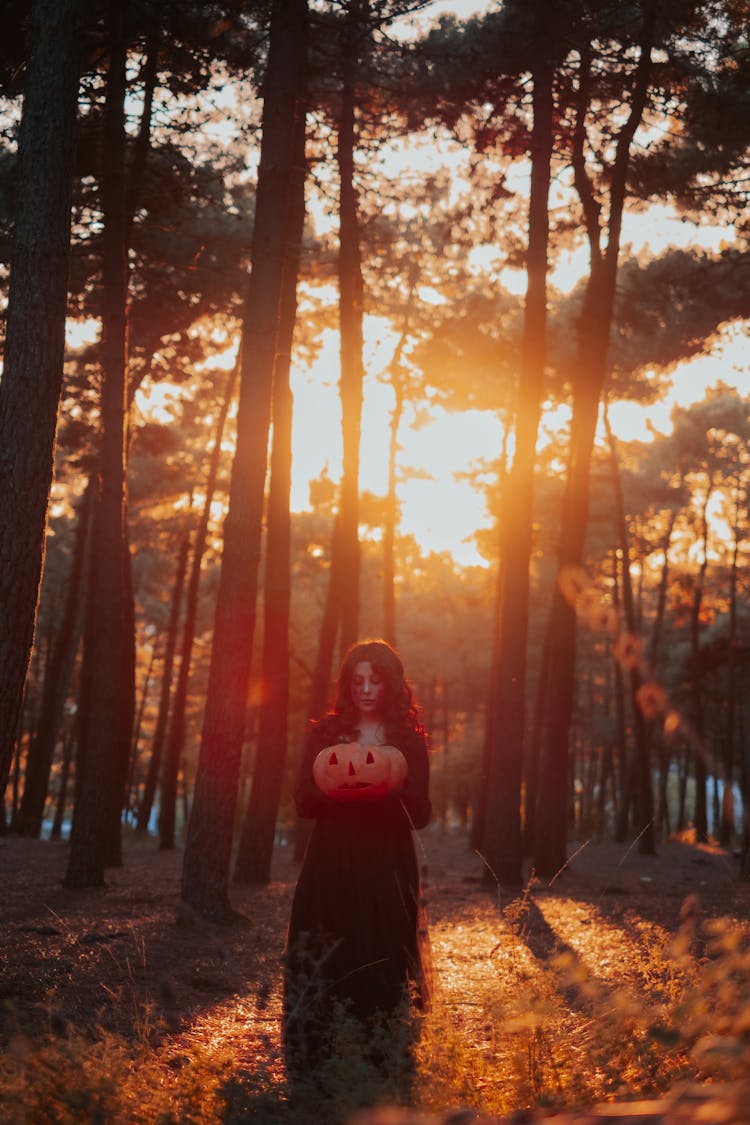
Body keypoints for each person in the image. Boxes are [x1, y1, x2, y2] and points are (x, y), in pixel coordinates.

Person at [283, 638, 432, 1082]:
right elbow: (303, 802)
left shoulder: (407, 738)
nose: (365, 689)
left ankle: (382, 1059)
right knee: (329, 947)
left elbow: (421, 813)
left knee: (383, 950)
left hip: (386, 861)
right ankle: (320, 1063)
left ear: (392, 685)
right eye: (357, 680)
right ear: (346, 685)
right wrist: (343, 794)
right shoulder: (325, 734)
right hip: (332, 858)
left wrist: (382, 791)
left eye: (375, 680)